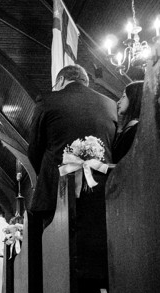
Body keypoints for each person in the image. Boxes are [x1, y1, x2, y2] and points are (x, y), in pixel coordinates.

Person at [27, 64, 117, 227]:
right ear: (84, 82)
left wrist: (47, 174)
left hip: (56, 193)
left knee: (56, 241)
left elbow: (35, 148)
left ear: (61, 80)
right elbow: (113, 147)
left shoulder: (47, 101)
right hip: (101, 193)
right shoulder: (110, 104)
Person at [112, 80, 143, 163]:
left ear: (134, 99)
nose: (118, 102)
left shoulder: (135, 129)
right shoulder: (134, 126)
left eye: (123, 97)